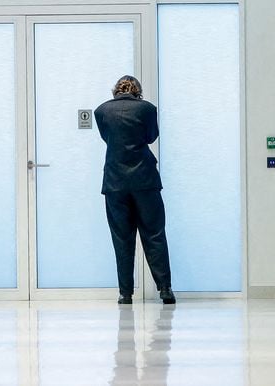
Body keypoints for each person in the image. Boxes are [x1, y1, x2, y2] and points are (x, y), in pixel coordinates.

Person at [94, 75, 175, 305]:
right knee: (155, 235)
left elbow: (107, 139)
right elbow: (151, 136)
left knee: (122, 239)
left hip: (114, 183)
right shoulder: (147, 109)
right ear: (138, 90)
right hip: (145, 180)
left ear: (115, 90)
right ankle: (165, 289)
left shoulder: (101, 112)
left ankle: (125, 293)